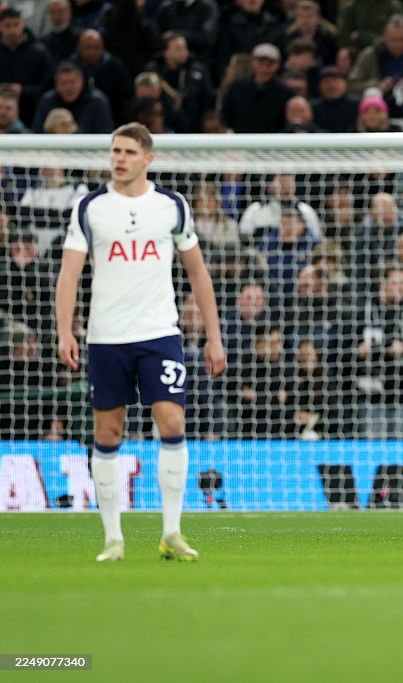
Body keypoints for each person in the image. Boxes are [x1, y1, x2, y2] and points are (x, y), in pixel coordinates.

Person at [55, 122, 227, 563]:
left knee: (172, 422)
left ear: (147, 159)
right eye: (115, 150)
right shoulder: (90, 207)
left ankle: (172, 531)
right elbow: (69, 274)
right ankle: (113, 538)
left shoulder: (171, 206)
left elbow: (198, 272)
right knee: (108, 430)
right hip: (107, 337)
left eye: (129, 151)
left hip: (159, 334)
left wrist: (214, 336)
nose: (120, 158)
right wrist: (64, 331)